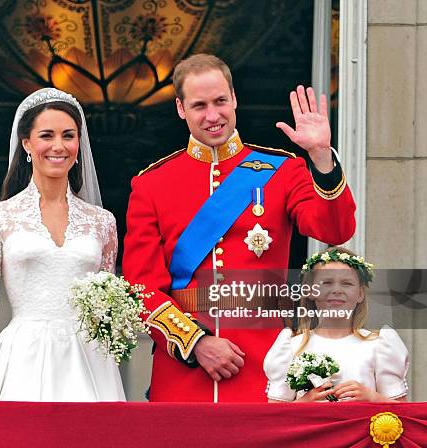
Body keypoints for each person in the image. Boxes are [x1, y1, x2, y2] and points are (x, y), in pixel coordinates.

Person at [122, 53, 356, 402]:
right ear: (180, 108)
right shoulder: (152, 184)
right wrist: (196, 342)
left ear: (234, 99)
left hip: (267, 363)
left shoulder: (283, 170)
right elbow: (141, 287)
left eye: (220, 101)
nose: (213, 115)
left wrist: (321, 156)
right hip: (185, 372)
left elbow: (335, 230)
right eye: (199, 105)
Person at [0, 88, 125, 401]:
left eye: (68, 135)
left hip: (88, 359)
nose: (58, 146)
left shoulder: (102, 221)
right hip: (23, 354)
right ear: (26, 142)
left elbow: (107, 309)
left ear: (79, 144)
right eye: (46, 135)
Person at [264, 247, 409, 402]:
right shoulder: (292, 347)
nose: (336, 290)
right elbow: (275, 415)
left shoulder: (379, 345)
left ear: (360, 294)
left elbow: (403, 412)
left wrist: (371, 397)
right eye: (327, 282)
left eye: (346, 283)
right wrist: (304, 403)